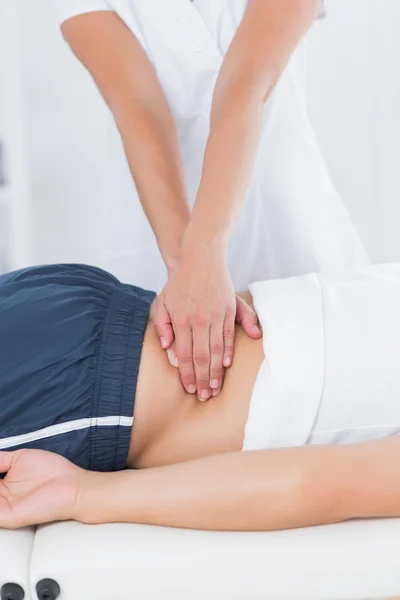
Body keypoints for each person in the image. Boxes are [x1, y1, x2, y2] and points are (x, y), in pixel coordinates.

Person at [54, 0, 369, 398]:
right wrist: (184, 270)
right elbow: (139, 106)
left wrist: (201, 254)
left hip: (286, 229)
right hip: (158, 246)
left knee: (336, 400)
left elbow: (246, 83)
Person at [1, 262, 400, 531]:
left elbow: (326, 483)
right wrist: (84, 494)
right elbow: (320, 484)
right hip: (76, 384)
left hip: (74, 309)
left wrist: (83, 494)